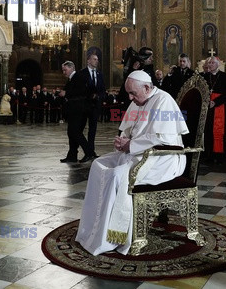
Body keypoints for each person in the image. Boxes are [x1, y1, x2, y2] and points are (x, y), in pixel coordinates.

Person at [75, 70, 189, 255]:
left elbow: (161, 138)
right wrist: (123, 141)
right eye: (128, 93)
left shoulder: (163, 100)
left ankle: (115, 237)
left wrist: (131, 145)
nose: (130, 98)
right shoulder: (138, 100)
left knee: (119, 175)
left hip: (163, 158)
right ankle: (93, 229)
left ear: (146, 87)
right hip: (137, 153)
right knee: (98, 165)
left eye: (133, 93)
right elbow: (128, 129)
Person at [59, 61, 95, 164]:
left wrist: (66, 93)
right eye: (63, 70)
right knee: (71, 133)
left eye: (65, 70)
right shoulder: (71, 79)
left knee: (75, 132)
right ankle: (72, 156)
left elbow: (82, 91)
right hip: (73, 110)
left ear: (71, 68)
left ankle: (89, 153)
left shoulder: (79, 76)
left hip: (79, 110)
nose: (64, 72)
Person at [203, 56, 226, 163]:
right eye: (209, 63)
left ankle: (218, 155)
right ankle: (208, 155)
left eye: (213, 63)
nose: (210, 65)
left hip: (220, 107)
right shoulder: (205, 77)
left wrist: (216, 102)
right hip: (208, 108)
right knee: (208, 131)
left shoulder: (225, 77)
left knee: (219, 131)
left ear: (218, 64)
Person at [80, 54, 106, 157]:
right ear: (88, 61)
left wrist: (99, 96)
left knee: (93, 130)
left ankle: (91, 152)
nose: (96, 61)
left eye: (97, 59)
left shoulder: (100, 74)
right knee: (80, 130)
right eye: (94, 59)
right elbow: (80, 89)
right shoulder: (82, 73)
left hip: (95, 107)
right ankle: (83, 151)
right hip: (84, 105)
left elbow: (103, 89)